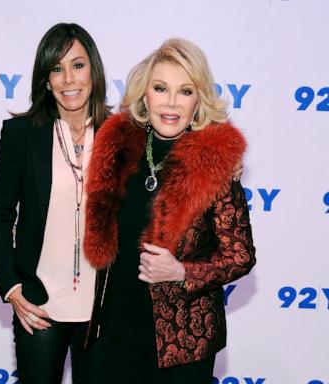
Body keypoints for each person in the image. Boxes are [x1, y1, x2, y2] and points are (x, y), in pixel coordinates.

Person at [83, 38, 256, 383]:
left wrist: (182, 272)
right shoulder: (118, 149)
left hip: (182, 343)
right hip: (116, 334)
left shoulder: (215, 163)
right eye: (161, 88)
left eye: (185, 91)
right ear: (145, 94)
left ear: (199, 100)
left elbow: (240, 256)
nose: (171, 103)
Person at [0, 23, 108, 384]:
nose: (68, 78)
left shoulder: (120, 134)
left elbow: (172, 152)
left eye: (78, 65)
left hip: (102, 310)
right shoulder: (21, 135)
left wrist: (225, 165)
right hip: (40, 305)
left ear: (94, 71)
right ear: (46, 78)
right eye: (57, 68)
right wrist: (10, 286)